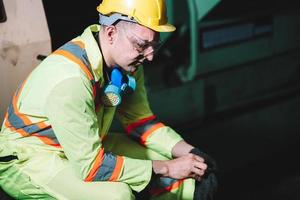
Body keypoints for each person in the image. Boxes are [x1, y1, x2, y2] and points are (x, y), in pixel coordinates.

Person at [0, 0, 217, 199]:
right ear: (111, 33)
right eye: (142, 45)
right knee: (117, 195)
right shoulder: (71, 79)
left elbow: (141, 122)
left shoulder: (128, 65)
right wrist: (168, 167)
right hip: (30, 158)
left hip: (85, 146)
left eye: (155, 45)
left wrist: (191, 153)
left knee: (185, 181)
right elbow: (91, 165)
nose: (150, 56)